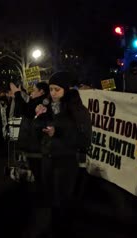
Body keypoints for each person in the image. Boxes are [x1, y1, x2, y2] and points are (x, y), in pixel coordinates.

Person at [34, 71, 92, 229]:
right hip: (48, 159)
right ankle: (53, 229)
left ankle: (63, 234)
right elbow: (38, 131)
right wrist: (39, 117)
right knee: (51, 201)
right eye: (51, 89)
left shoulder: (77, 110)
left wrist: (58, 132)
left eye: (57, 89)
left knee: (63, 202)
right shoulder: (49, 107)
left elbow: (84, 139)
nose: (53, 93)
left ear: (66, 89)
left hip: (65, 162)